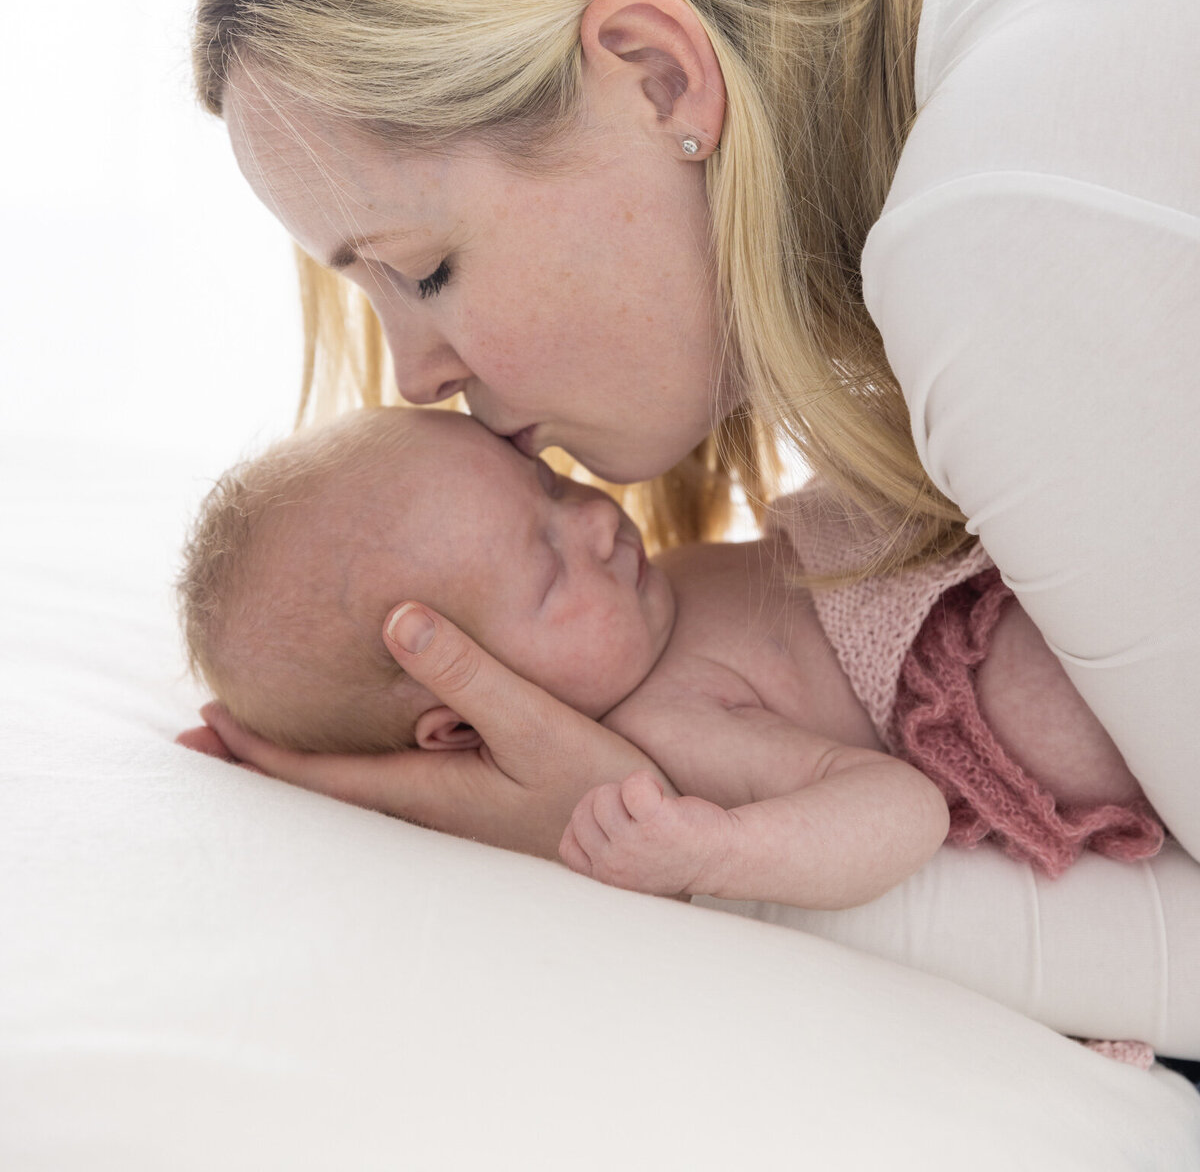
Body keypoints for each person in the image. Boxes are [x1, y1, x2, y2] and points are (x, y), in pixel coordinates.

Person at [183, 0, 1200, 1046]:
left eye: (421, 269)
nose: (414, 374)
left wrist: (641, 847)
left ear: (659, 79)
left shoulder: (999, 233)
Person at [178, 403, 1165, 1065]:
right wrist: (723, 847)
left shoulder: (651, 605)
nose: (599, 527)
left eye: (553, 493)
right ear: (457, 722)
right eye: (549, 572)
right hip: (1113, 690)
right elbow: (898, 811)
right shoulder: (665, 728)